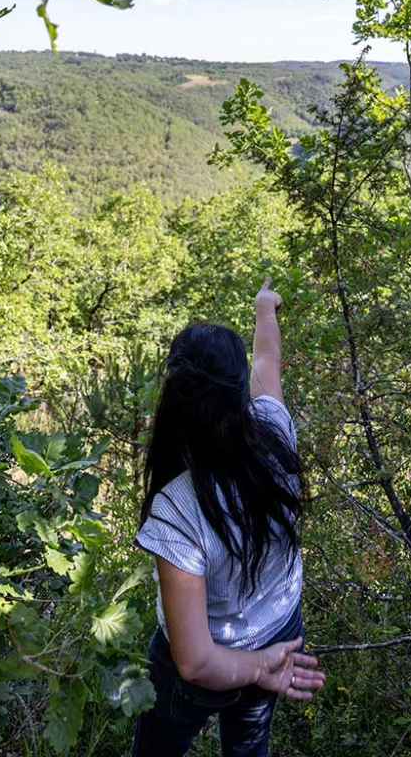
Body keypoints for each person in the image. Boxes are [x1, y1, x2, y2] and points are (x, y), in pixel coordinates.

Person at [131, 278, 325, 757]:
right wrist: (265, 310)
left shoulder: (177, 509)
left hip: (226, 663)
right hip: (280, 632)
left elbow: (196, 662)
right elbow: (267, 363)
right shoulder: (274, 435)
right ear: (240, 392)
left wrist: (257, 667)